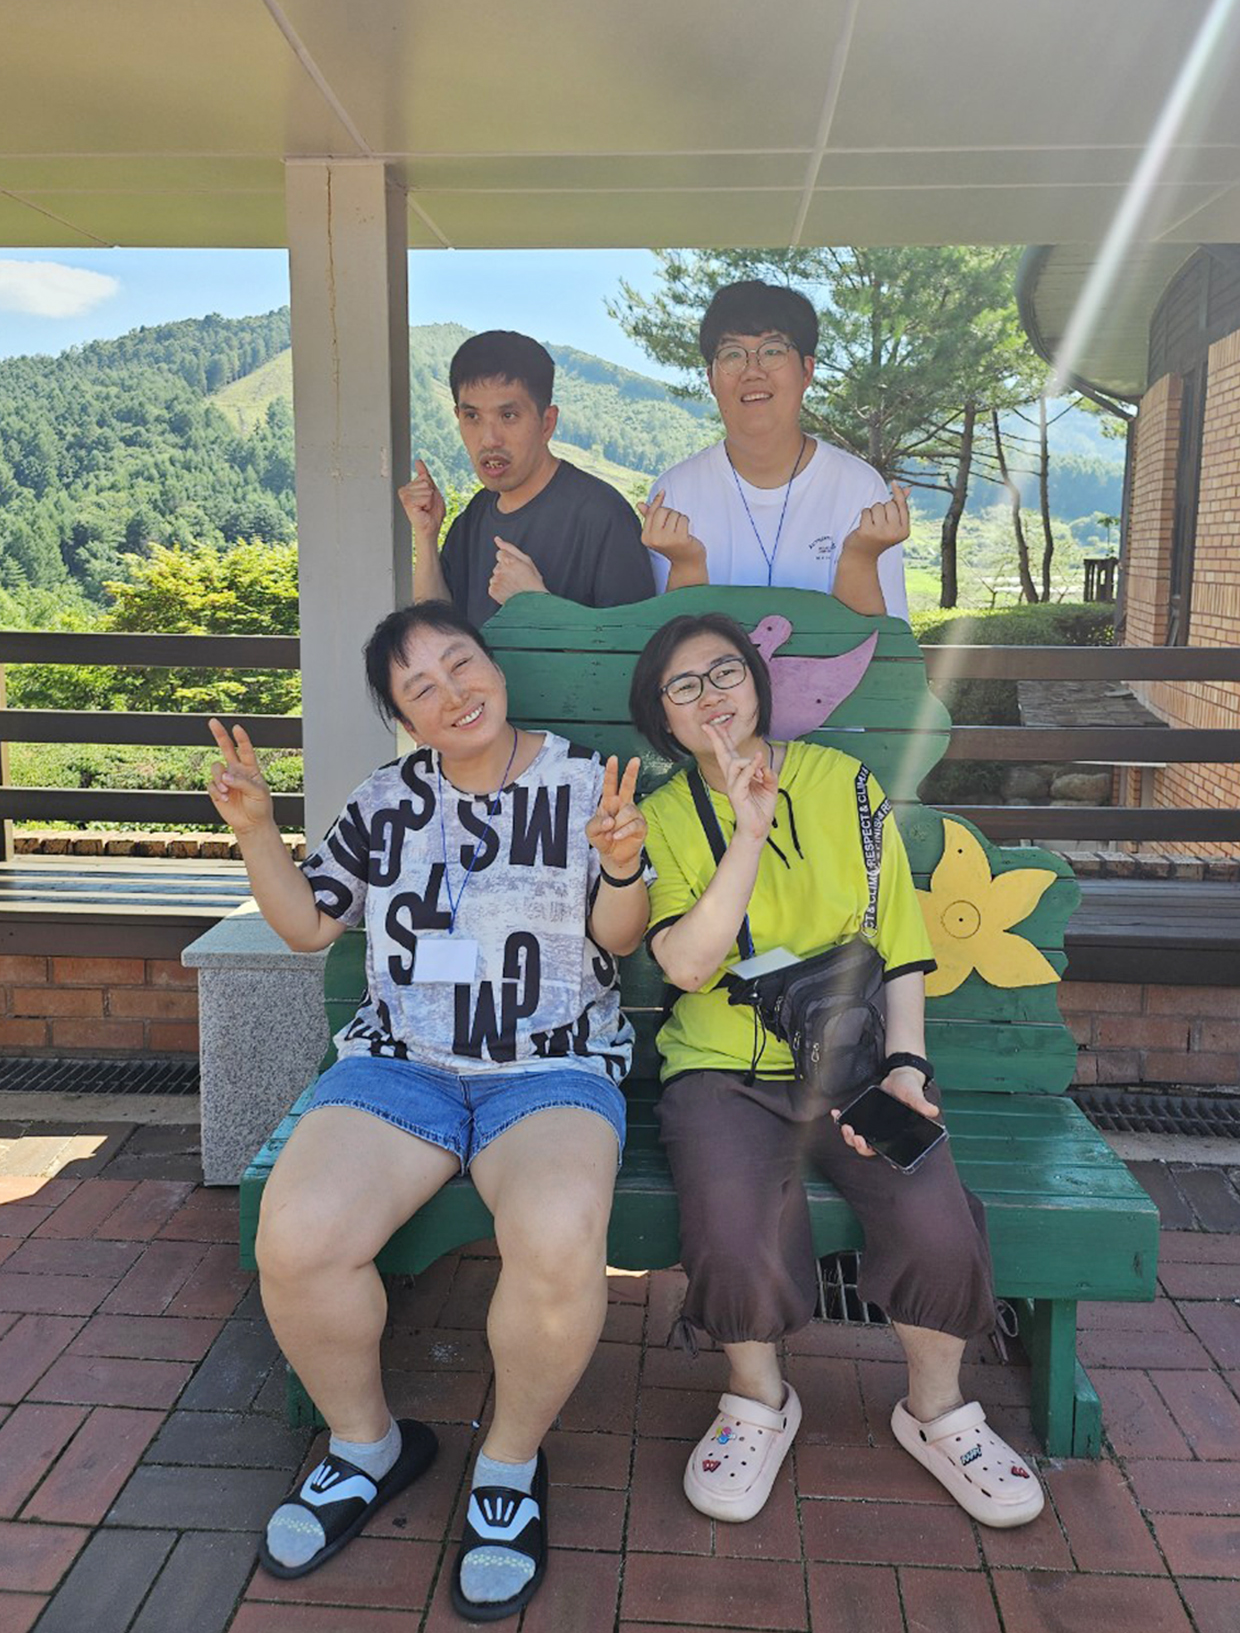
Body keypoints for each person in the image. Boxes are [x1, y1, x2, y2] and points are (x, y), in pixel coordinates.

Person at [206, 600, 650, 1621]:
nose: (453, 693)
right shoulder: (384, 799)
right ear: (404, 718)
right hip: (402, 1069)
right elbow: (307, 925)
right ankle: (366, 1446)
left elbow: (620, 937)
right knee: (297, 1236)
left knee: (558, 1231)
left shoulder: (587, 783)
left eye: (460, 664)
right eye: (421, 688)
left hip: (551, 1069)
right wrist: (257, 831)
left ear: (493, 664)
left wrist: (622, 862)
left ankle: (509, 1465)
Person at [626, 612, 1044, 1529]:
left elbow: (899, 939)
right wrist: (747, 830)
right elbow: (687, 965)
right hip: (723, 1066)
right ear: (662, 716)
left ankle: (937, 1412)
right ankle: (757, 1400)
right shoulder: (658, 819)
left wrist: (907, 1066)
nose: (711, 695)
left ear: (758, 680)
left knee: (931, 1212)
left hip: (855, 1060)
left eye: (725, 672)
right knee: (731, 1223)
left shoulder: (843, 783)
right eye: (684, 685)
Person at [639, 281, 911, 617]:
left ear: (806, 371)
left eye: (772, 352)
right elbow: (670, 642)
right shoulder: (675, 494)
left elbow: (884, 639)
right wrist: (685, 563)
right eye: (732, 355)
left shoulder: (859, 489)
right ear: (711, 379)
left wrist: (861, 556)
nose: (752, 371)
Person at [400, 330, 655, 626]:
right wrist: (426, 537)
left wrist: (536, 605)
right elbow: (437, 629)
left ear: (547, 423)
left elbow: (633, 648)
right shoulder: (474, 517)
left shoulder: (602, 516)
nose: (489, 439)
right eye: (472, 417)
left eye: (508, 416)